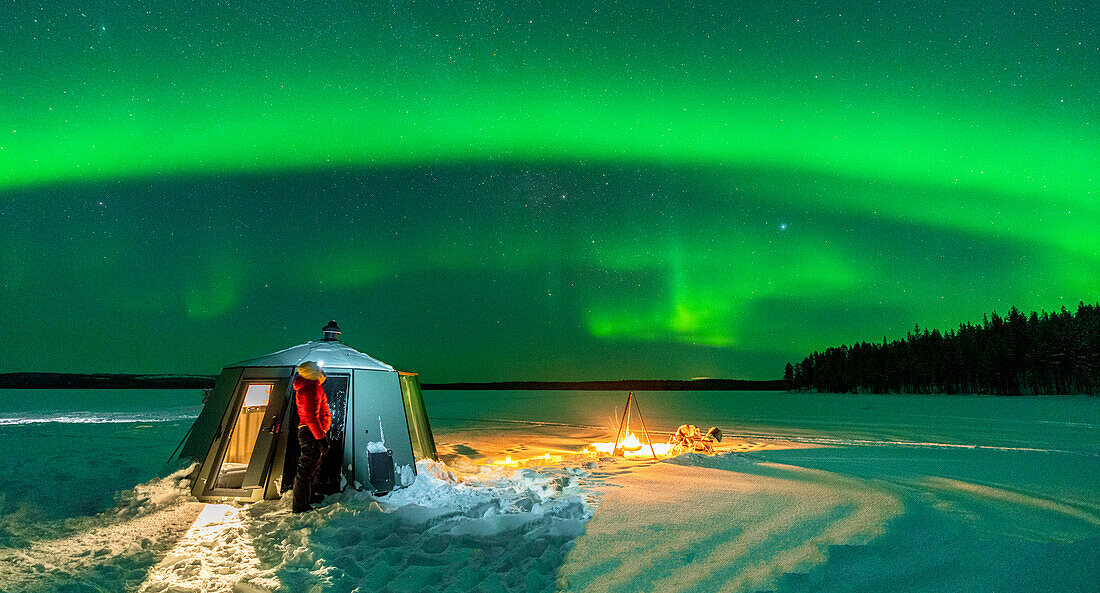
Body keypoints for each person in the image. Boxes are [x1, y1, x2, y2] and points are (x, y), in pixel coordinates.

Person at [292, 361, 332, 513]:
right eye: (320, 369)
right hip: (311, 432)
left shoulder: (309, 386)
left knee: (312, 467)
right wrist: (321, 438)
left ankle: (308, 497)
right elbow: (311, 417)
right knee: (306, 469)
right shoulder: (311, 388)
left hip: (311, 431)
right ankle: (300, 505)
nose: (323, 371)